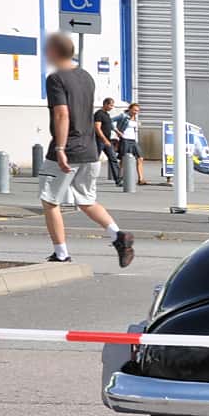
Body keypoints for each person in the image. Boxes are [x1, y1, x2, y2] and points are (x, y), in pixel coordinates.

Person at [40, 34, 134, 267]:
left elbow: (62, 113)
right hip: (90, 149)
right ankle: (118, 235)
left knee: (50, 201)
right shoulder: (86, 77)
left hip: (67, 148)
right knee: (87, 200)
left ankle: (61, 253)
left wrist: (60, 148)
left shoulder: (55, 79)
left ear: (53, 52)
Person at [93, 97, 123, 186]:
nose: (112, 107)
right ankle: (88, 178)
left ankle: (118, 180)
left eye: (112, 105)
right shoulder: (99, 114)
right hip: (99, 140)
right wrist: (104, 139)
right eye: (110, 105)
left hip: (107, 140)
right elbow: (97, 128)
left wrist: (117, 132)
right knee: (94, 159)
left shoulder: (106, 114)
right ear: (105, 104)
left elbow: (110, 125)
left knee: (113, 158)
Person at [118, 101, 146, 185]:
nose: (136, 112)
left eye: (137, 111)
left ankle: (141, 179)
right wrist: (117, 132)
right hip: (125, 139)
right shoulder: (123, 116)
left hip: (133, 140)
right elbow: (112, 121)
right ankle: (120, 177)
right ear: (129, 109)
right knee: (123, 159)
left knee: (140, 158)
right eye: (134, 110)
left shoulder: (135, 118)